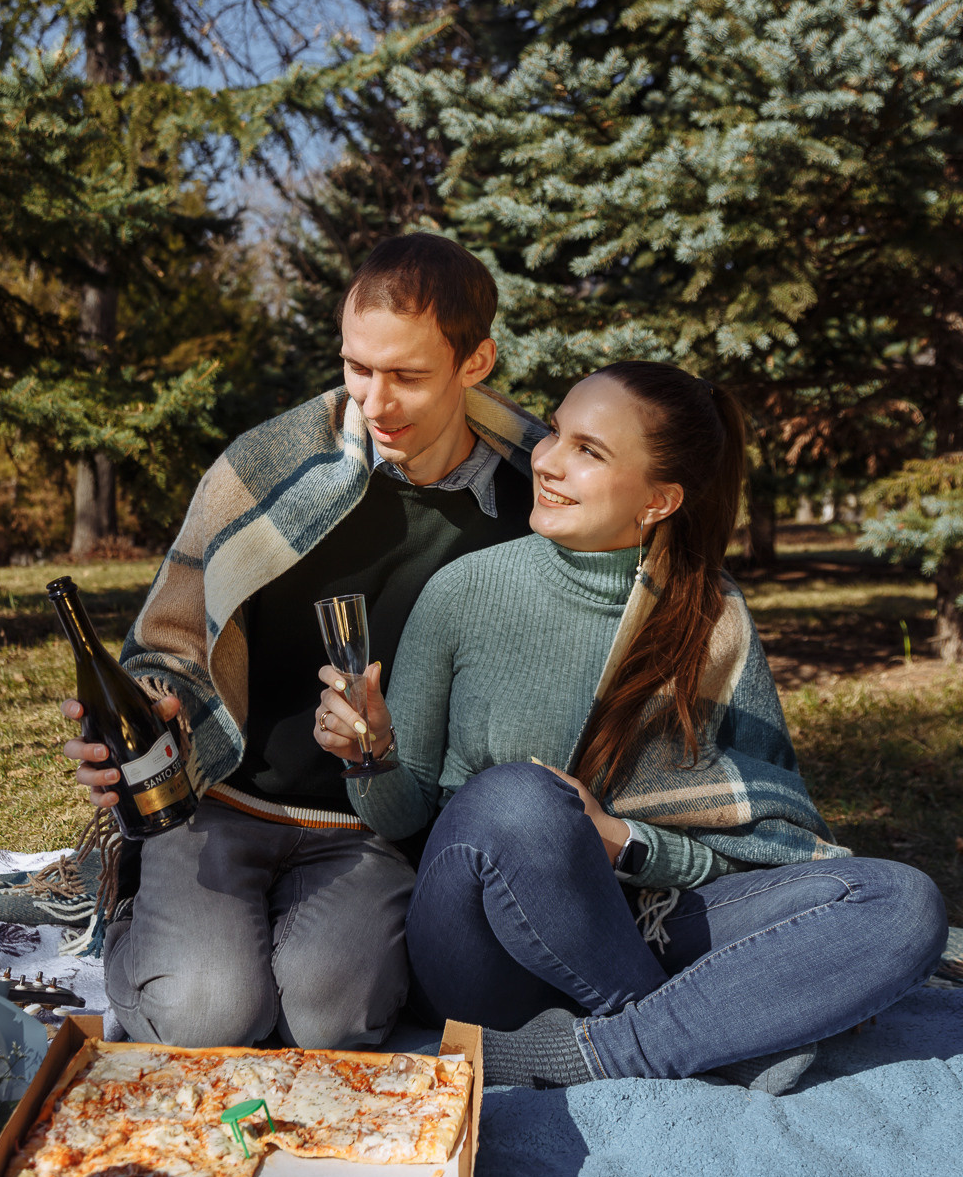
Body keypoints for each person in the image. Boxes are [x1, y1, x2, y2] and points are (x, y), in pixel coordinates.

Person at [315, 361, 948, 1092]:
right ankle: (709, 1033)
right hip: (485, 952)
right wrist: (372, 754)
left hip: (651, 919)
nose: (547, 461)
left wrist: (625, 842)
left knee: (901, 903)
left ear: (659, 500)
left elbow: (758, 846)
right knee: (516, 799)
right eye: (556, 432)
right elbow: (403, 816)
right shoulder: (465, 591)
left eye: (589, 450)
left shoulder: (708, 618)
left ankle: (602, 1051)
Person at [62, 234, 545, 1048]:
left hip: (371, 825)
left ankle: (262, 954)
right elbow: (170, 640)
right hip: (223, 802)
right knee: (208, 1015)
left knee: (331, 1021)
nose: (376, 401)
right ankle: (138, 915)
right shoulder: (273, 468)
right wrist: (158, 708)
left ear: (477, 362)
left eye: (408, 375)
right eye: (359, 367)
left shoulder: (531, 503)